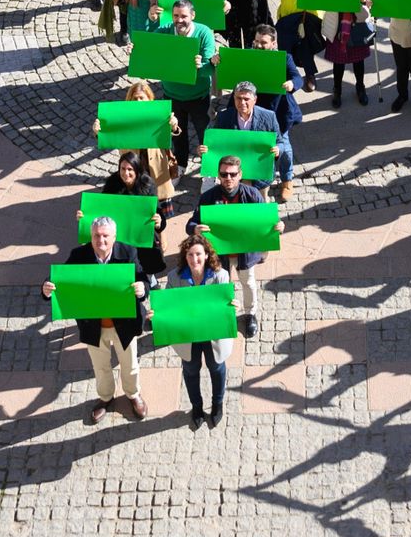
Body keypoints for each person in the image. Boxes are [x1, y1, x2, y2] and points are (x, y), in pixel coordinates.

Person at [40, 216, 151, 423]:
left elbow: (143, 279)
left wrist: (142, 289)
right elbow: (60, 279)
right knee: (100, 366)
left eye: (105, 236)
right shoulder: (79, 255)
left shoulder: (128, 252)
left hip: (124, 323)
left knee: (130, 364)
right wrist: (47, 288)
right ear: (90, 236)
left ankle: (132, 394)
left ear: (114, 237)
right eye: (96, 236)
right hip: (94, 325)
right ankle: (106, 398)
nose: (101, 240)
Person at [188, 155, 286, 339]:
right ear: (218, 174)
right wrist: (196, 229)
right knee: (221, 284)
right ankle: (224, 314)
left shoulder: (252, 195)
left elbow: (267, 222)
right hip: (218, 255)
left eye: (233, 174)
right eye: (224, 174)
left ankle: (250, 314)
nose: (228, 178)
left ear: (240, 175)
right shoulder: (208, 198)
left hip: (245, 254)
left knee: (248, 283)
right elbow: (190, 224)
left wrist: (278, 227)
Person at [138, 0, 218, 172]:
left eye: (183, 16)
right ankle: (180, 165)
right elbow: (148, 45)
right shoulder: (166, 30)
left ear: (193, 15)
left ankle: (210, 169)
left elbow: (209, 69)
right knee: (177, 134)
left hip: (199, 97)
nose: (179, 20)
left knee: (205, 133)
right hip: (172, 95)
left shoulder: (204, 33)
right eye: (175, 16)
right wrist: (136, 49)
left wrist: (200, 67)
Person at [169, 234, 236, 429]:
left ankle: (217, 404)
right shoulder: (175, 277)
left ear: (206, 255)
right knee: (190, 370)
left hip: (213, 332)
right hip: (188, 334)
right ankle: (196, 407)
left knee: (216, 367)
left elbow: (225, 304)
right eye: (190, 255)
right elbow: (170, 304)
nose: (194, 259)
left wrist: (233, 306)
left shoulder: (220, 275)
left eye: (198, 254)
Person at [263, 0, 336, 91]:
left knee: (306, 47)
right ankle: (289, 76)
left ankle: (310, 75)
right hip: (288, 16)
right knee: (285, 46)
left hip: (310, 17)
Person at [95, 80, 183, 198]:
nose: (138, 101)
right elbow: (109, 135)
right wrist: (98, 132)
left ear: (149, 98)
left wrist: (173, 125)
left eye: (142, 98)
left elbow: (173, 132)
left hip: (156, 166)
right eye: (135, 98)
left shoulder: (158, 114)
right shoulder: (123, 118)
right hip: (133, 167)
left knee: (158, 205)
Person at [251, 24, 304, 201]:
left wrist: (291, 84)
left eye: (263, 43)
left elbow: (297, 77)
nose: (258, 45)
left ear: (274, 43)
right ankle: (261, 178)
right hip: (256, 111)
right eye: (256, 41)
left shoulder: (284, 58)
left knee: (285, 150)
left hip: (279, 112)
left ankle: (287, 180)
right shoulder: (248, 57)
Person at [97, 151, 169, 279]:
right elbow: (101, 209)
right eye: (122, 169)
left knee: (145, 264)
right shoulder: (112, 185)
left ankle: (148, 279)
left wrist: (159, 222)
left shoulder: (147, 185)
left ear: (137, 170)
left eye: (130, 169)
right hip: (121, 235)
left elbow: (157, 212)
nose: (126, 173)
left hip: (141, 235)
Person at [204, 82, 282, 197]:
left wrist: (278, 149)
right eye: (238, 98)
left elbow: (280, 141)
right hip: (233, 178)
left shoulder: (269, 117)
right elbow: (214, 143)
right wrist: (205, 150)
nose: (242, 103)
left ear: (255, 100)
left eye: (246, 99)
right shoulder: (224, 117)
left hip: (259, 175)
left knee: (260, 206)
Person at [323, 0, 374, 107]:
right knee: (338, 63)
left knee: (358, 62)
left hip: (356, 27)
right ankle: (337, 90)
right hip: (337, 27)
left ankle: (360, 87)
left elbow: (369, 4)